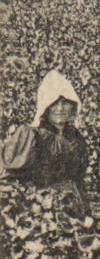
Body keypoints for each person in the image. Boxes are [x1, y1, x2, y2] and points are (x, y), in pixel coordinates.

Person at [3, 70, 91, 210]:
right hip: (39, 210)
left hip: (72, 209)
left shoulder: (75, 138)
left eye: (65, 103)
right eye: (54, 103)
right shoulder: (31, 135)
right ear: (45, 107)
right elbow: (10, 181)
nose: (60, 109)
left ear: (72, 106)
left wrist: (86, 212)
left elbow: (79, 180)